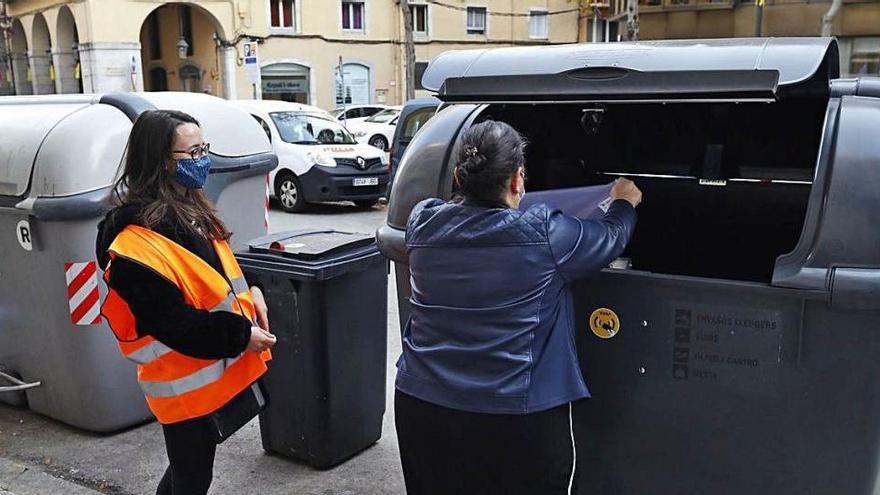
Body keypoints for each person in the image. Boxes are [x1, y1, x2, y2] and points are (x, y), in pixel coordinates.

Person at [394, 120, 642, 495]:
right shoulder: (547, 235)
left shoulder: (422, 221)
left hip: (423, 408)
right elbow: (610, 237)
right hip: (515, 419)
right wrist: (624, 201)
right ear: (516, 180)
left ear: (459, 176)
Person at [95, 110, 277, 495]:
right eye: (192, 153)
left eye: (204, 148)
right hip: (181, 380)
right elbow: (171, 322)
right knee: (192, 476)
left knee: (189, 472)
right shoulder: (135, 238)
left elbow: (219, 267)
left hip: (206, 368)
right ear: (162, 161)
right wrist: (241, 335)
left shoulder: (188, 205)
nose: (203, 160)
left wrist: (255, 287)